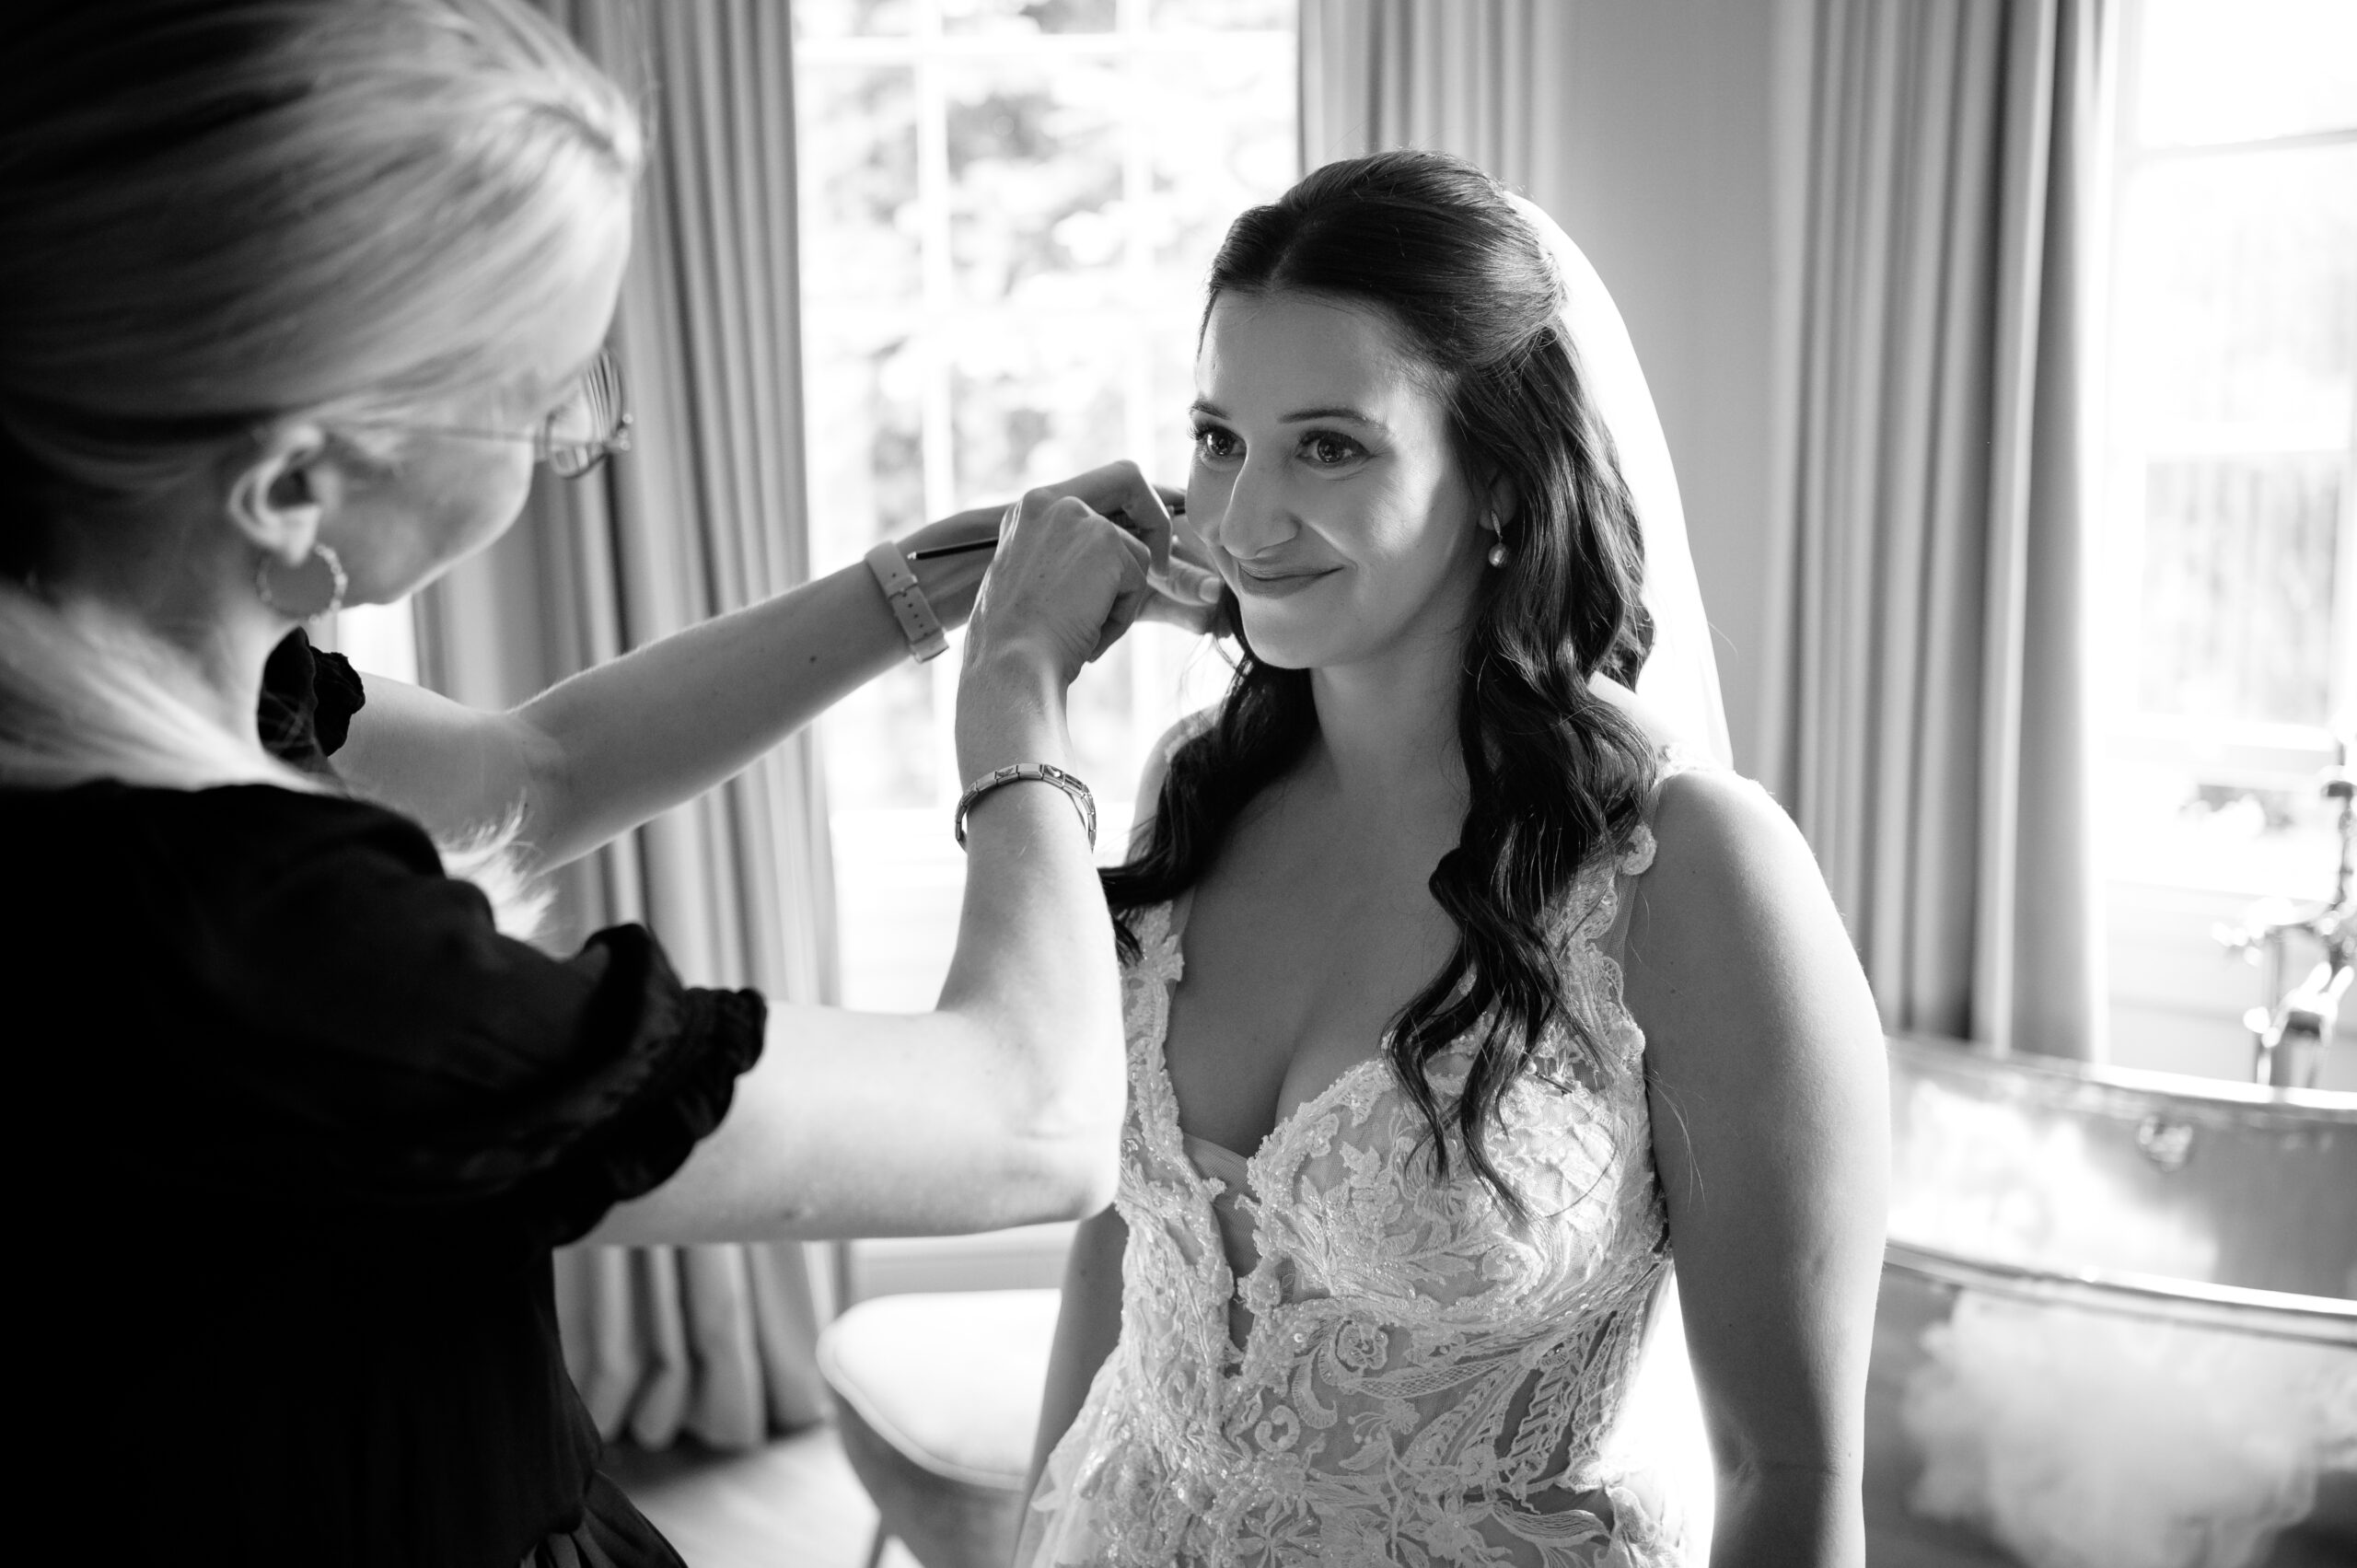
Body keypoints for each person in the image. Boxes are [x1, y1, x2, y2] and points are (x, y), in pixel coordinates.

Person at [0, 3, 1214, 1563]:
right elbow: (1032, 1121)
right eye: (541, 394)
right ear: (296, 482)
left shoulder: (144, 671)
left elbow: (537, 768)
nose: (577, 433)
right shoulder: (240, 943)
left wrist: (952, 571)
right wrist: (1019, 683)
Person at [1016, 151, 1890, 1568]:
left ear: (1497, 480)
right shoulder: (1195, 786)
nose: (1238, 523)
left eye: (1330, 446)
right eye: (1221, 438)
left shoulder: (1686, 872)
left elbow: (1784, 1467)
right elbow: (1121, 1255)